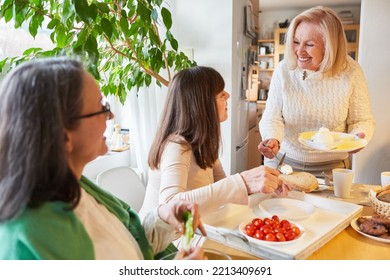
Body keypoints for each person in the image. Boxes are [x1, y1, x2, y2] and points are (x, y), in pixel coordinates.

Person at [0, 57, 206, 260]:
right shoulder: (32, 235)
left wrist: (163, 217)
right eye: (101, 107)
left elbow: (129, 246)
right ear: (64, 136)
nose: (111, 116)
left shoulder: (75, 186)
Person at [139, 66, 288, 220]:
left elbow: (223, 190)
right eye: (221, 94)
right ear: (202, 103)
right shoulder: (176, 146)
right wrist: (243, 181)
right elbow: (170, 207)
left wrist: (262, 185)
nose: (228, 95)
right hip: (157, 241)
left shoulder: (203, 141)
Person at [258, 6, 375, 176]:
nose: (299, 51)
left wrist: (358, 137)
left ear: (330, 47)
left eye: (310, 44)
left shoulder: (351, 71)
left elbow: (362, 120)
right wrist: (272, 139)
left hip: (332, 166)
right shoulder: (284, 69)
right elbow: (272, 116)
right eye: (296, 42)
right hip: (283, 161)